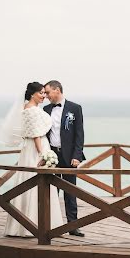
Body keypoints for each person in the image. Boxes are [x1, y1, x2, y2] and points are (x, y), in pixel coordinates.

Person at [2, 82, 63, 237]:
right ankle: (36, 224)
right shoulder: (32, 110)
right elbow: (36, 134)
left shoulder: (28, 108)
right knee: (36, 182)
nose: (44, 96)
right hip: (37, 147)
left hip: (31, 147)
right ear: (32, 94)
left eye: (45, 93)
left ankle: (25, 224)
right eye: (41, 93)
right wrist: (43, 154)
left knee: (28, 182)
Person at [44, 80, 85, 237]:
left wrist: (77, 156)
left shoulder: (75, 108)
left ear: (57, 90)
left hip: (69, 157)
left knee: (70, 191)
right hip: (52, 155)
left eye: (48, 92)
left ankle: (73, 226)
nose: (46, 96)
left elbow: (79, 134)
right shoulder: (46, 109)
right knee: (52, 191)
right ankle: (51, 225)